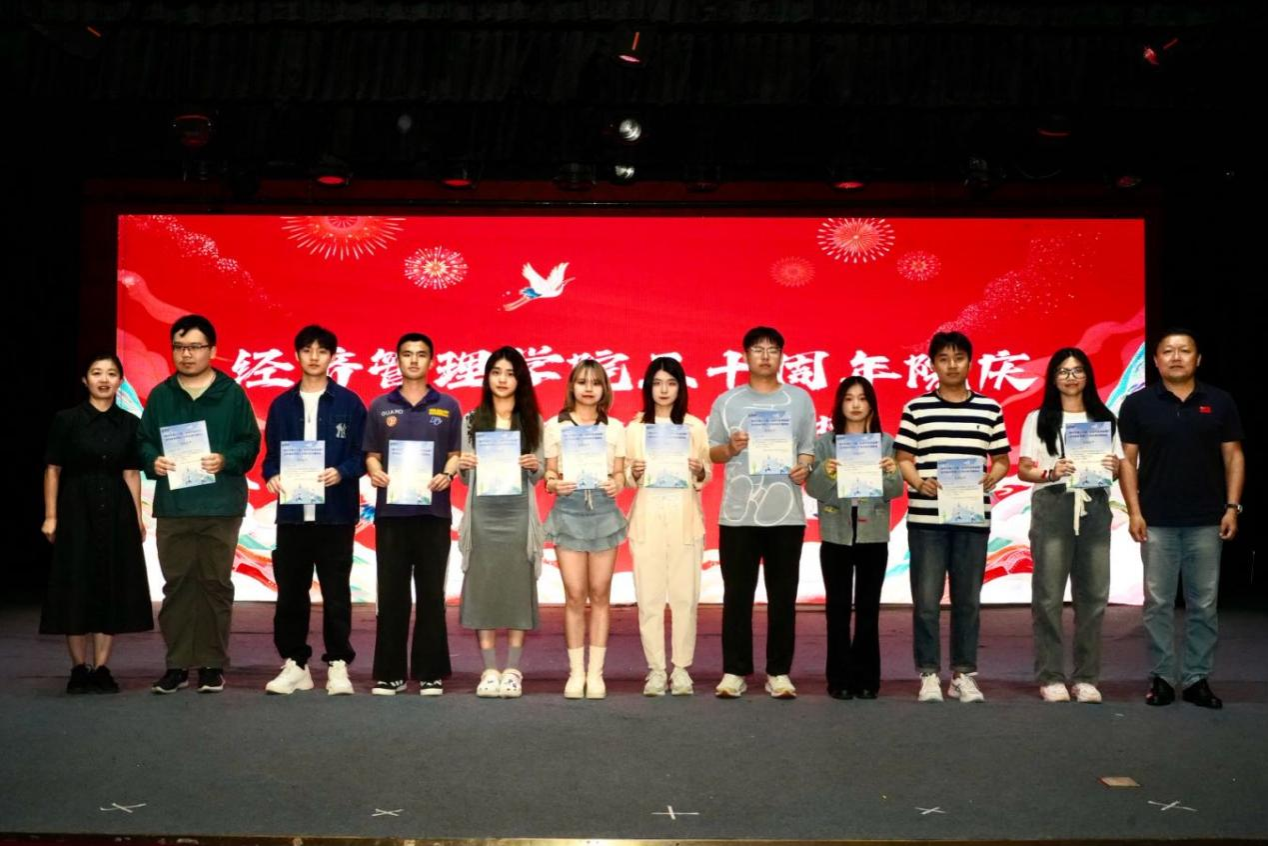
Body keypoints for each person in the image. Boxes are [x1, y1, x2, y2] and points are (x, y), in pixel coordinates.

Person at [1119, 328, 1245, 709]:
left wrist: (1232, 507)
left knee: (1203, 604)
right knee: (1157, 603)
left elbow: (1234, 456)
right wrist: (1134, 511)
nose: (1176, 357)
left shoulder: (1219, 401)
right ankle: (1161, 678)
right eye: (1168, 351)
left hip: (1207, 520)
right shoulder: (1138, 404)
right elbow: (1127, 461)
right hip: (1155, 520)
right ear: (1156, 360)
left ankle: (1196, 679)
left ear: (1198, 358)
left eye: (1184, 350)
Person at [138, 314, 261, 694]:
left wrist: (226, 459)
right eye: (179, 347)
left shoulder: (231, 393)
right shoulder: (162, 395)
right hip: (174, 507)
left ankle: (211, 664)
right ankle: (176, 665)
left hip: (220, 506)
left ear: (212, 350)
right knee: (177, 586)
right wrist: (152, 460)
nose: (186, 355)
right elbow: (143, 441)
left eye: (194, 347)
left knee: (215, 585)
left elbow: (250, 442)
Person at [894, 330, 1009, 703]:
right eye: (944, 359)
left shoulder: (989, 408)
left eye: (959, 358)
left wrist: (993, 476)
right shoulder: (917, 408)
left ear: (970, 362)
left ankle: (963, 674)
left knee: (968, 601)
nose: (952, 365)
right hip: (927, 521)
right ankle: (929, 673)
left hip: (972, 520)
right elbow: (903, 458)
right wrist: (918, 482)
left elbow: (1002, 458)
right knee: (927, 602)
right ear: (932, 365)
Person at [707, 326, 815, 699]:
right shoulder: (728, 401)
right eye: (758, 349)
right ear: (745, 356)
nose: (765, 356)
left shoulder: (799, 399)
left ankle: (779, 672)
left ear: (782, 355)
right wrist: (731, 448)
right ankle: (734, 671)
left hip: (786, 515)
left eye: (773, 349)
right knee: (737, 595)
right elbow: (712, 451)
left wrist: (804, 467)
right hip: (738, 515)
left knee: (783, 596)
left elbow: (807, 448)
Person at [260, 325, 367, 695]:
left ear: (332, 357)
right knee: (291, 593)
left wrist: (342, 472)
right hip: (293, 514)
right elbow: (271, 457)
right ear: (297, 355)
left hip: (335, 514)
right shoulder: (281, 405)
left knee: (336, 593)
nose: (314, 357)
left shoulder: (350, 403)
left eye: (322, 351)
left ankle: (338, 664)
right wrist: (272, 476)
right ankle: (296, 664)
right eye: (307, 350)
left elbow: (362, 455)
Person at [41, 354, 152, 693]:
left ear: (121, 381)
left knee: (109, 585)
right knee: (75, 585)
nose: (104, 379)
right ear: (84, 379)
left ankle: (102, 668)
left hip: (117, 511)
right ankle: (78, 668)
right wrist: (51, 516)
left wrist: (137, 518)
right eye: (96, 373)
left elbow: (131, 473)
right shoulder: (67, 419)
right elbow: (53, 470)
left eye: (112, 374)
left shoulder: (130, 423)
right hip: (76, 508)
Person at [1017, 348, 1121, 704]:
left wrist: (1114, 468)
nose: (1071, 377)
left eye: (1077, 370)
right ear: (1053, 378)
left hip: (1095, 504)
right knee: (1048, 596)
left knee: (1093, 596)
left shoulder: (1104, 418)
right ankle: (1050, 676)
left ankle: (1086, 677)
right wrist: (1051, 471)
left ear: (1087, 375)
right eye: (1063, 371)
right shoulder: (1038, 418)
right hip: (1053, 503)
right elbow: (1024, 469)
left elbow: (1117, 467)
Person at [363, 332, 462, 696]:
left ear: (431, 361)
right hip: (392, 514)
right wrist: (375, 470)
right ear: (398, 360)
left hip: (434, 513)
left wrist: (447, 473)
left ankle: (430, 672)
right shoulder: (380, 406)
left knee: (432, 594)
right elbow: (371, 453)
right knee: (391, 594)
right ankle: (390, 673)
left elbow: (455, 453)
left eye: (421, 354)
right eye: (407, 354)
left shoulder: (447, 405)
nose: (414, 360)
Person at [456, 347, 546, 699]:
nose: (503, 379)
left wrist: (533, 465)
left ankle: (512, 669)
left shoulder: (532, 420)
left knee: (517, 588)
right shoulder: (471, 419)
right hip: (483, 513)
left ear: (519, 379)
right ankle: (490, 669)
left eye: (510, 373)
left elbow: (539, 472)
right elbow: (465, 477)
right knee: (484, 587)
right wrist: (464, 464)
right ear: (487, 378)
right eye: (496, 372)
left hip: (519, 513)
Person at [805, 376, 902, 700]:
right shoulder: (824, 444)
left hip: (873, 534)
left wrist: (891, 472)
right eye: (849, 398)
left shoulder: (886, 443)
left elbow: (894, 491)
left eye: (862, 398)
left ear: (871, 404)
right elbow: (814, 490)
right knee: (837, 609)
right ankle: (839, 679)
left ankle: (867, 678)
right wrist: (826, 471)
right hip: (837, 534)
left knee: (868, 609)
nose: (856, 404)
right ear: (840, 405)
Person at [625, 357, 712, 696]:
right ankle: (657, 669)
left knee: (684, 597)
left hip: (684, 519)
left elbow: (706, 471)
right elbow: (625, 474)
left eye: (671, 383)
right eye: (657, 383)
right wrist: (632, 472)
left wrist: (699, 470)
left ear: (680, 388)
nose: (664, 390)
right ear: (648, 387)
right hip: (647, 518)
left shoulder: (694, 427)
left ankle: (681, 668)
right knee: (649, 597)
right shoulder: (635, 428)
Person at [543, 359, 627, 699]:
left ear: (604, 388)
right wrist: (553, 483)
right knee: (575, 595)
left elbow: (619, 474)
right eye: (582, 382)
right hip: (569, 511)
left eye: (595, 382)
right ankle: (576, 673)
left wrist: (618, 483)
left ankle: (596, 674)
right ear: (572, 387)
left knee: (601, 593)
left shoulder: (615, 428)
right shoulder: (554, 426)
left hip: (604, 511)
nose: (588, 388)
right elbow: (549, 474)